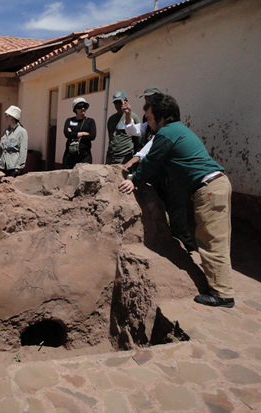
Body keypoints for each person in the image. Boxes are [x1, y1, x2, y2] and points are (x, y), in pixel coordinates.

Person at [119, 94, 234, 308]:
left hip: (208, 189)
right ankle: (221, 287)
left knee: (211, 241)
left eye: (149, 118)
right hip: (217, 185)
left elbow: (152, 161)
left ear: (162, 118)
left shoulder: (167, 133)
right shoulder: (177, 130)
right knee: (217, 239)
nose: (147, 123)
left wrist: (134, 180)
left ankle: (223, 295)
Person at [122, 87, 197, 253]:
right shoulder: (150, 121)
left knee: (177, 212)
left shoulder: (166, 127)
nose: (147, 102)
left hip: (171, 176)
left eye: (151, 99)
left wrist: (134, 173)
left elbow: (152, 150)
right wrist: (128, 114)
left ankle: (187, 248)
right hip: (158, 173)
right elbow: (131, 130)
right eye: (146, 99)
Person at [106, 90, 140, 164]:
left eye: (120, 102)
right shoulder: (111, 119)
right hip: (111, 157)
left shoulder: (133, 117)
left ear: (126, 101)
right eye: (115, 102)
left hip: (125, 157)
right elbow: (111, 137)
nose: (118, 105)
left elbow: (138, 139)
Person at [62, 97, 96, 169]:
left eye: (85, 106)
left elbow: (92, 136)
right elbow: (67, 134)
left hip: (84, 156)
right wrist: (83, 133)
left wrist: (73, 134)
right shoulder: (69, 120)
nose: (83, 108)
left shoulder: (90, 121)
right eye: (80, 107)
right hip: (70, 156)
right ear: (75, 109)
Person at [0, 105, 28, 177]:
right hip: (2, 166)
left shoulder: (22, 132)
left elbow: (23, 150)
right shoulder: (5, 131)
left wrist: (19, 166)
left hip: (13, 167)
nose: (6, 117)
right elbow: (0, 148)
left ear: (13, 117)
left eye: (8, 115)